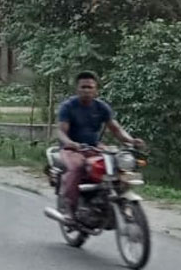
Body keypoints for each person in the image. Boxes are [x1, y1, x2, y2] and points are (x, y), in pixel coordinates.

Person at [57, 71, 144, 221]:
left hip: (94, 147)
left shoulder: (101, 107)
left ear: (96, 90)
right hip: (72, 149)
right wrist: (70, 143)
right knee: (77, 167)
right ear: (77, 89)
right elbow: (61, 132)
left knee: (119, 163)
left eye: (90, 87)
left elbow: (116, 129)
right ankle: (69, 208)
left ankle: (117, 199)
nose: (87, 90)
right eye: (83, 87)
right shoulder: (68, 107)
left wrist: (131, 141)